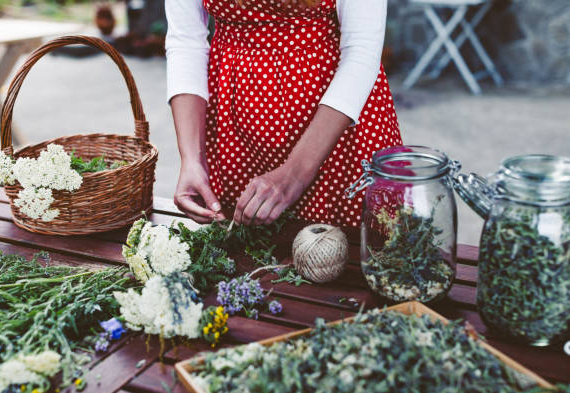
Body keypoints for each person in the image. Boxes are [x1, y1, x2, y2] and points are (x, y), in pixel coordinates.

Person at [166, 0, 402, 227]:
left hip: (334, 133)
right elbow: (186, 42)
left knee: (351, 253)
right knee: (246, 258)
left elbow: (361, 51)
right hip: (235, 140)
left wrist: (296, 173)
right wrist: (192, 159)